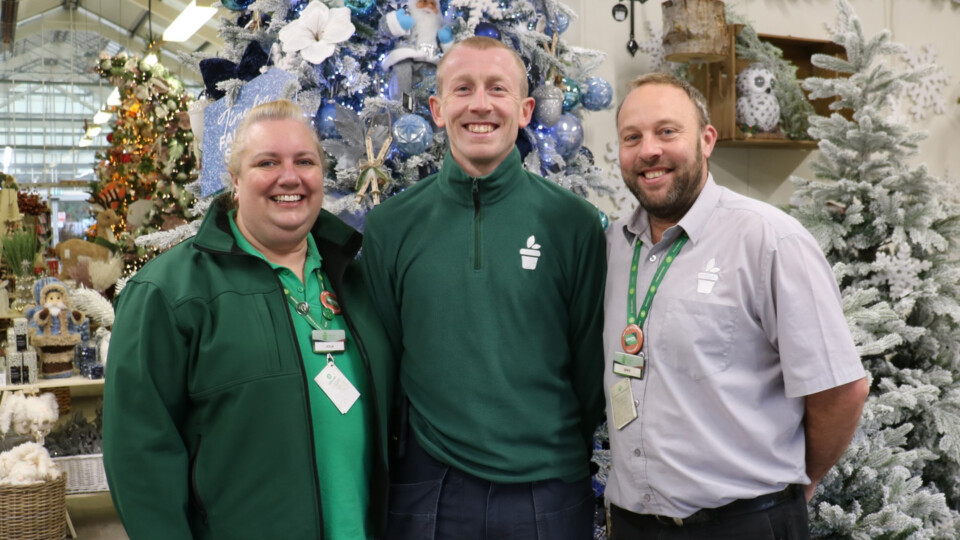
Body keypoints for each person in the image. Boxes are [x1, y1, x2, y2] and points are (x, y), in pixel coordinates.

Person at [103, 99, 392, 539]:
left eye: (305, 161)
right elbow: (139, 454)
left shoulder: (356, 281)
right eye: (267, 162)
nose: (289, 177)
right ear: (234, 181)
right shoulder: (169, 293)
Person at [603, 71, 870, 539]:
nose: (649, 150)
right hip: (633, 525)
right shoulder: (611, 246)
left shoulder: (769, 241)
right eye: (633, 137)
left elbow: (841, 391)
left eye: (667, 131)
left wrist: (794, 488)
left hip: (744, 524)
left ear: (707, 140)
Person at [361, 36, 606, 539]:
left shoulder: (573, 224)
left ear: (524, 110)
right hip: (429, 485)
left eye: (498, 89)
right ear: (436, 108)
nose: (480, 104)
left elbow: (589, 366)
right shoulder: (391, 225)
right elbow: (382, 366)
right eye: (462, 89)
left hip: (548, 486)